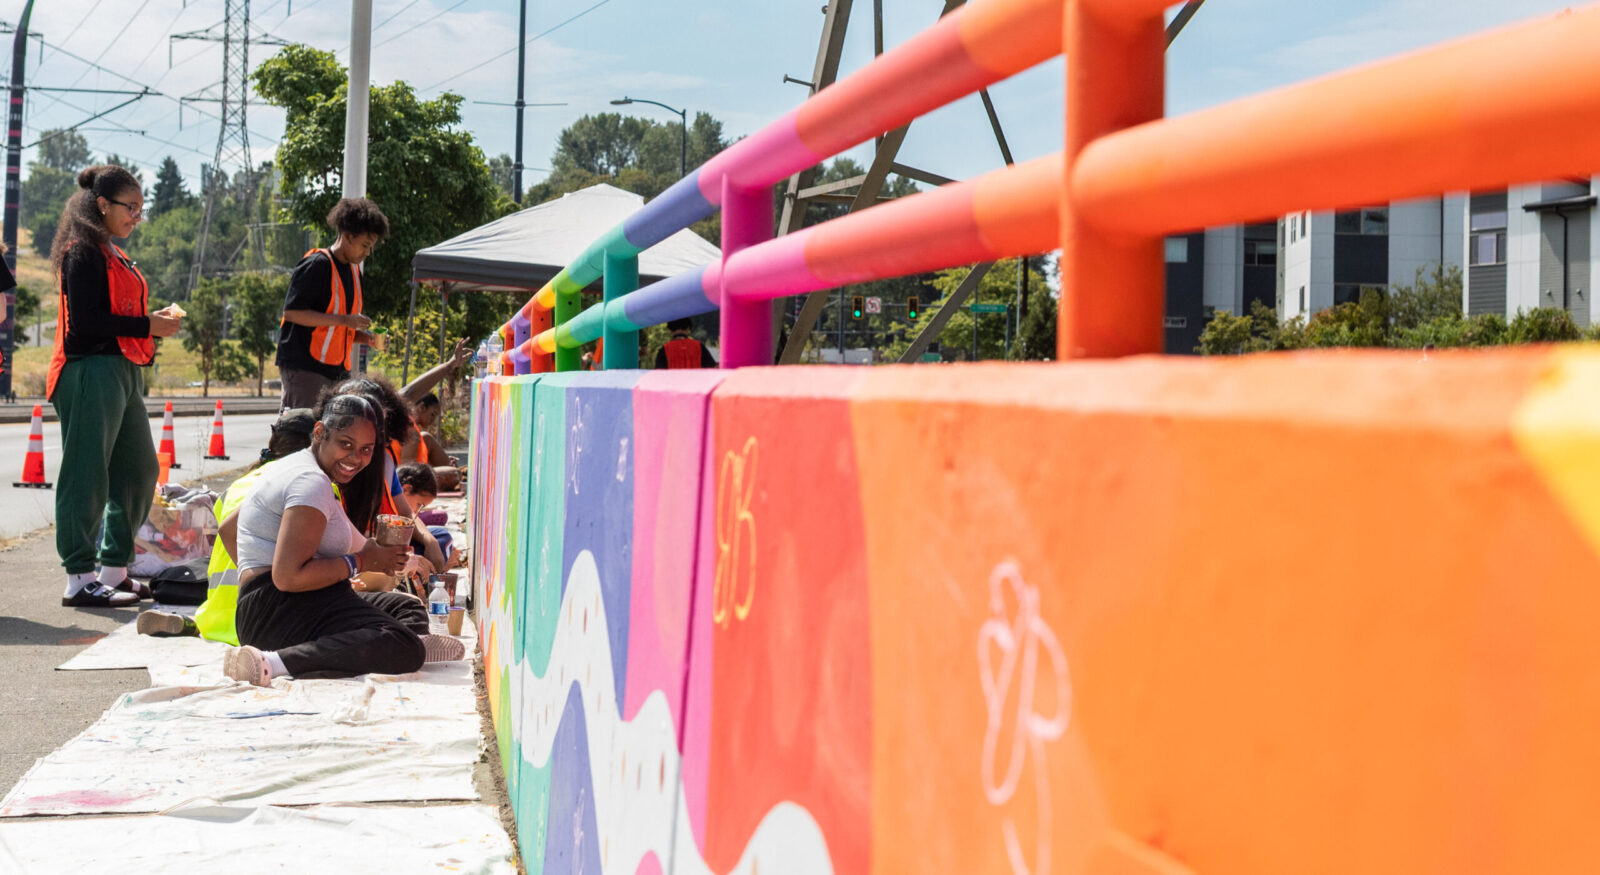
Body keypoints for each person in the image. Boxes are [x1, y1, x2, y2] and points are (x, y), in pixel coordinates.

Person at [221, 395, 461, 686]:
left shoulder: (295, 466)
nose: (355, 458)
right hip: (279, 614)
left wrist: (374, 556)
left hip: (284, 603)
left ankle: (373, 645)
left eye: (366, 449)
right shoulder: (310, 483)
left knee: (405, 608)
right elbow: (286, 578)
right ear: (320, 432)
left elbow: (228, 528)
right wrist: (359, 562)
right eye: (345, 444)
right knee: (404, 646)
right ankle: (274, 662)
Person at [48, 164, 183, 608]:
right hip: (87, 369)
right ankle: (79, 576)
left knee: (140, 469)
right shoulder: (82, 251)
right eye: (131, 208)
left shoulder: (112, 252)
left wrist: (150, 324)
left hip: (121, 370)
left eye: (141, 211)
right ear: (102, 205)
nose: (136, 218)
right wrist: (148, 324)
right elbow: (85, 325)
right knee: (86, 474)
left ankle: (113, 569)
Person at [137, 408, 319, 640]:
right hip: (260, 618)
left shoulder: (239, 484)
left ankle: (193, 624)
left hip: (215, 614)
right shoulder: (308, 485)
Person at [275, 198, 389, 410]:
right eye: (365, 245)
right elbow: (292, 313)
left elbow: (338, 329)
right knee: (300, 431)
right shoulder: (317, 264)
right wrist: (345, 320)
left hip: (336, 372)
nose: (367, 253)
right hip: (305, 368)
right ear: (347, 236)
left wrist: (367, 339)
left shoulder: (354, 272)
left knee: (329, 435)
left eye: (371, 247)